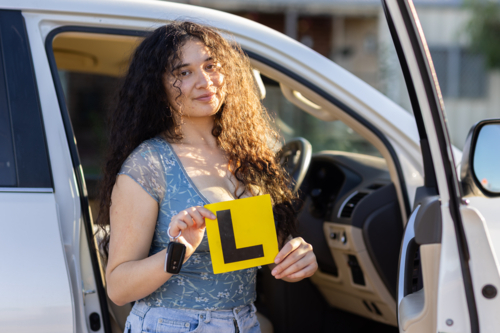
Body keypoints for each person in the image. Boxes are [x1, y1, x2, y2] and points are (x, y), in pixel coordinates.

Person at [97, 21, 318, 333]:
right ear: (157, 85)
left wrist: (294, 256)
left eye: (211, 66)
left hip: (244, 321)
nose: (205, 81)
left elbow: (251, 250)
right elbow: (118, 287)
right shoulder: (149, 163)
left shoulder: (245, 153)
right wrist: (179, 251)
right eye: (183, 72)